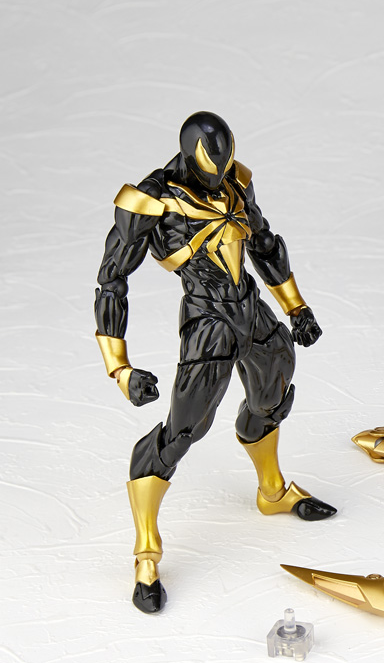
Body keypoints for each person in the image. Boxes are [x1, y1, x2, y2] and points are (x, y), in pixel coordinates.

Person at [94, 111, 336, 613]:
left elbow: (264, 244)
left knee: (273, 392)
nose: (219, 175)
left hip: (251, 308)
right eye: (212, 166)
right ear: (190, 156)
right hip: (207, 319)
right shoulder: (151, 199)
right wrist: (120, 368)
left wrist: (297, 307)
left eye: (224, 166)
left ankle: (272, 492)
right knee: (184, 429)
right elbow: (112, 281)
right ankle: (146, 555)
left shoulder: (236, 182)